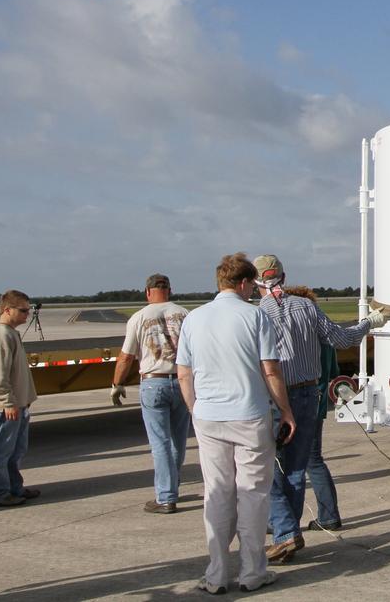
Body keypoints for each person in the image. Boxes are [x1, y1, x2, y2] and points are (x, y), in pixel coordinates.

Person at [251, 255, 385, 563]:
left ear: (255, 282)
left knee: (267, 467)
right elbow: (341, 339)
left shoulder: (259, 315)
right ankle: (290, 531)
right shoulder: (307, 306)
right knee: (298, 467)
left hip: (275, 395)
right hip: (309, 394)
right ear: (283, 277)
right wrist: (369, 323)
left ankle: (284, 530)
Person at [176, 253, 296, 594]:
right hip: (248, 414)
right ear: (244, 283)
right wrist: (285, 410)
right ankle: (252, 572)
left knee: (217, 493)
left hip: (208, 417)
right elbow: (270, 369)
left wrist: (195, 408)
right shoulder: (256, 317)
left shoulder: (194, 319)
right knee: (253, 495)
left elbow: (184, 373)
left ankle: (216, 575)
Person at [111, 273, 191, 514]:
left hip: (154, 382)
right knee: (178, 441)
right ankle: (172, 486)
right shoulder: (185, 314)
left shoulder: (138, 317)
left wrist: (117, 383)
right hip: (182, 381)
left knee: (160, 443)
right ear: (170, 290)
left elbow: (126, 356)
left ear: (147, 292)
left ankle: (166, 496)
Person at [284, 285, 342, 533]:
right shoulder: (323, 333)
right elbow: (335, 373)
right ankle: (328, 514)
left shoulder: (296, 334)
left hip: (299, 399)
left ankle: (284, 519)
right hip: (317, 403)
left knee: (295, 463)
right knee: (314, 460)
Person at [0, 290, 39, 508]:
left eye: (28, 310)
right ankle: (0, 493)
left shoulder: (11, 333)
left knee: (15, 451)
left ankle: (15, 488)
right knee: (1, 452)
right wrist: (7, 402)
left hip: (19, 405)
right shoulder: (1, 335)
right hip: (7, 408)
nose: (27, 314)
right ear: (7, 310)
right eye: (23, 310)